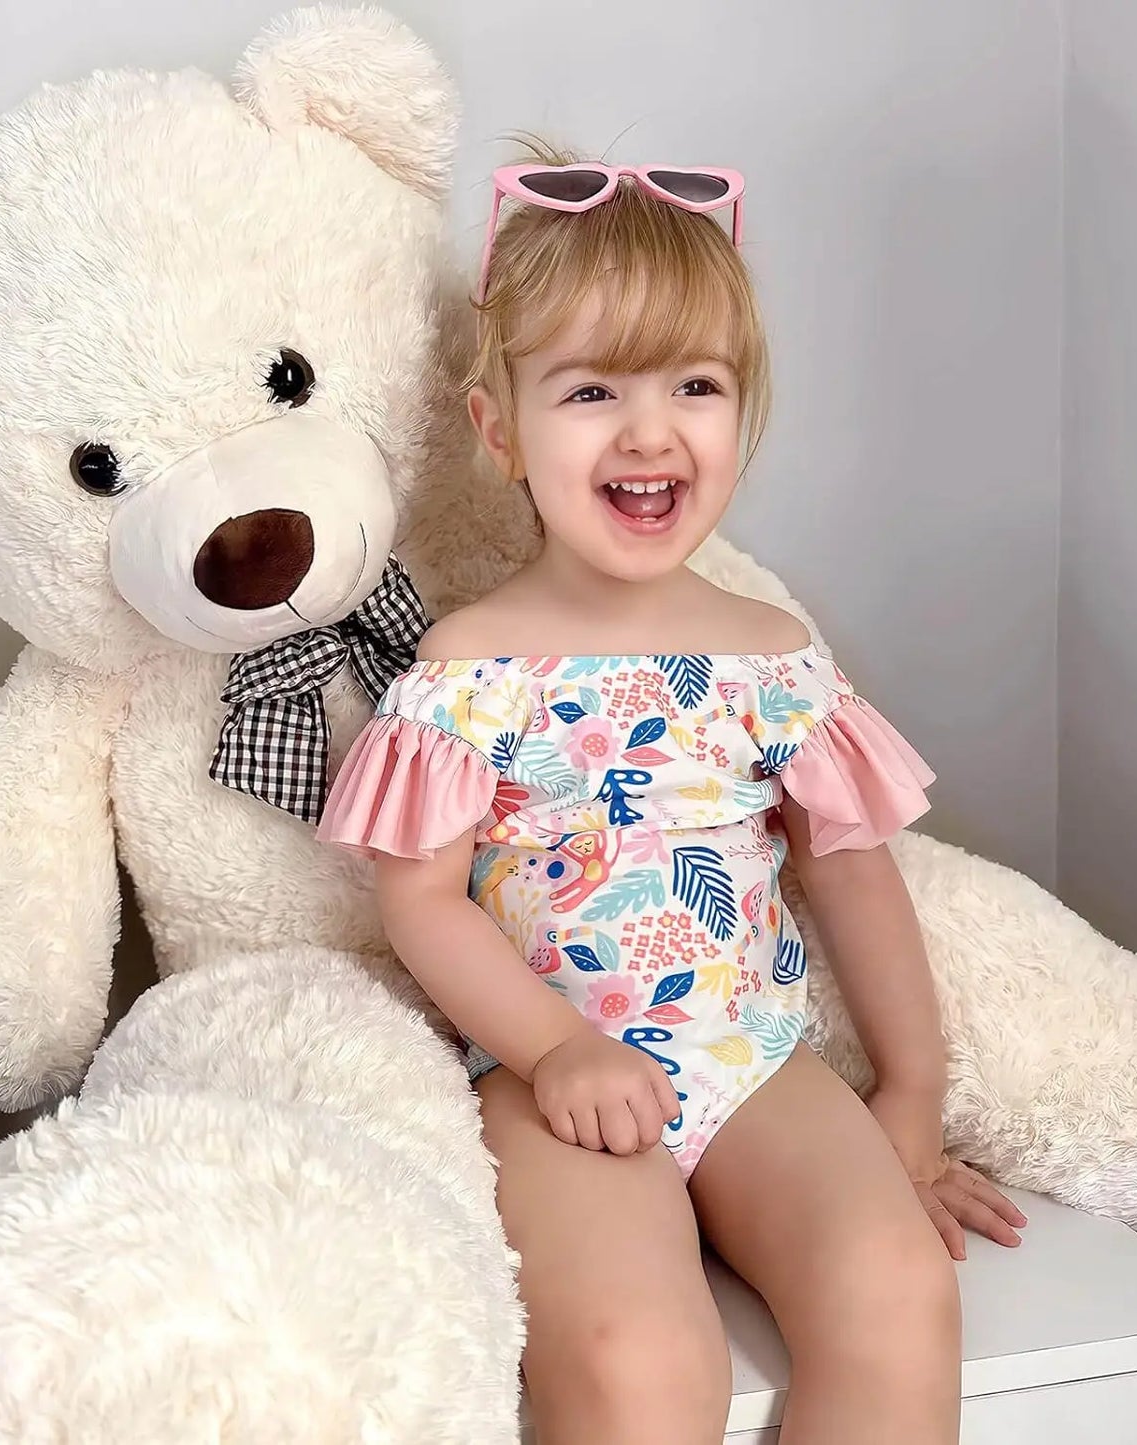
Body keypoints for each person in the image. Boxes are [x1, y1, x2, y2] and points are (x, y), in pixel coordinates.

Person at [318, 148, 1027, 1445]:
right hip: (554, 1073)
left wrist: (910, 1090)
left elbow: (850, 870)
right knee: (635, 1359)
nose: (650, 431)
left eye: (693, 386)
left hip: (752, 1059)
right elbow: (421, 901)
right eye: (592, 390)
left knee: (899, 1293)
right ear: (499, 430)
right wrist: (553, 1049)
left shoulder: (767, 654)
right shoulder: (469, 666)